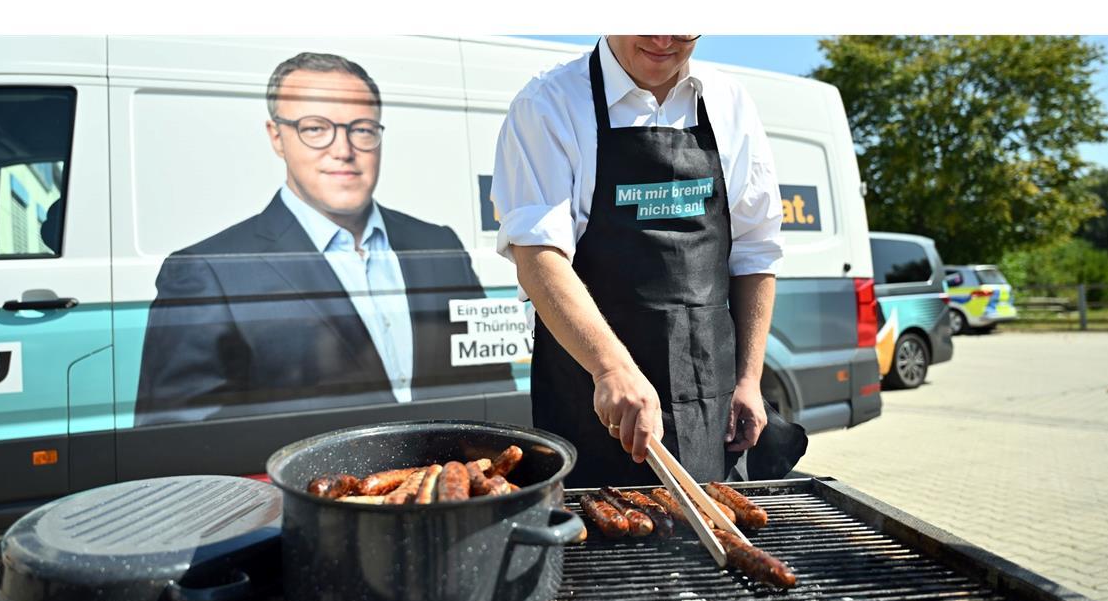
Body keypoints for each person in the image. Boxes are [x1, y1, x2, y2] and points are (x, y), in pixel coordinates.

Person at [135, 52, 513, 426]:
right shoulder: (209, 271)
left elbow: (492, 385)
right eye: (315, 128)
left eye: (361, 129)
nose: (343, 150)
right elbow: (178, 440)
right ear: (277, 137)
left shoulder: (439, 246)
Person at [491, 35, 784, 485]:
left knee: (709, 539)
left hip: (710, 397)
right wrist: (611, 367)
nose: (663, 38)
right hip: (590, 397)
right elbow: (539, 257)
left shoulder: (731, 103)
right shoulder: (549, 103)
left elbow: (755, 250)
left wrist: (749, 378)